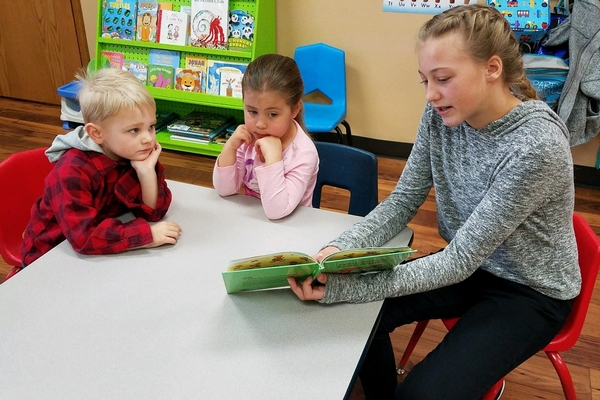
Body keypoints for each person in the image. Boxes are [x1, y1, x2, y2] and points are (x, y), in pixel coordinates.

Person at [288, 5, 580, 400]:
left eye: (442, 79)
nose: (430, 94)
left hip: (529, 290)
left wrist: (347, 288)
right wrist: (341, 250)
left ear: (492, 68)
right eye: (425, 79)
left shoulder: (536, 146)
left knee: (421, 390)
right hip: (471, 266)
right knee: (355, 318)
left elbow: (457, 261)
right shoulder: (440, 112)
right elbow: (404, 199)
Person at [20, 68, 182, 267]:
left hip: (100, 253)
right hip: (49, 257)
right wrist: (147, 235)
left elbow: (154, 213)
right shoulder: (72, 171)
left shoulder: (133, 152)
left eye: (151, 126)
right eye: (134, 130)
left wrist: (146, 172)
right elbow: (84, 237)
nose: (148, 138)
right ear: (97, 134)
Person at [212, 54, 319, 220]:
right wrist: (230, 148)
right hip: (253, 223)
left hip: (290, 229)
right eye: (252, 112)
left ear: (295, 109)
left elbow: (277, 211)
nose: (260, 124)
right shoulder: (247, 139)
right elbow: (224, 189)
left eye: (273, 114)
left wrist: (274, 159)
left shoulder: (304, 154)